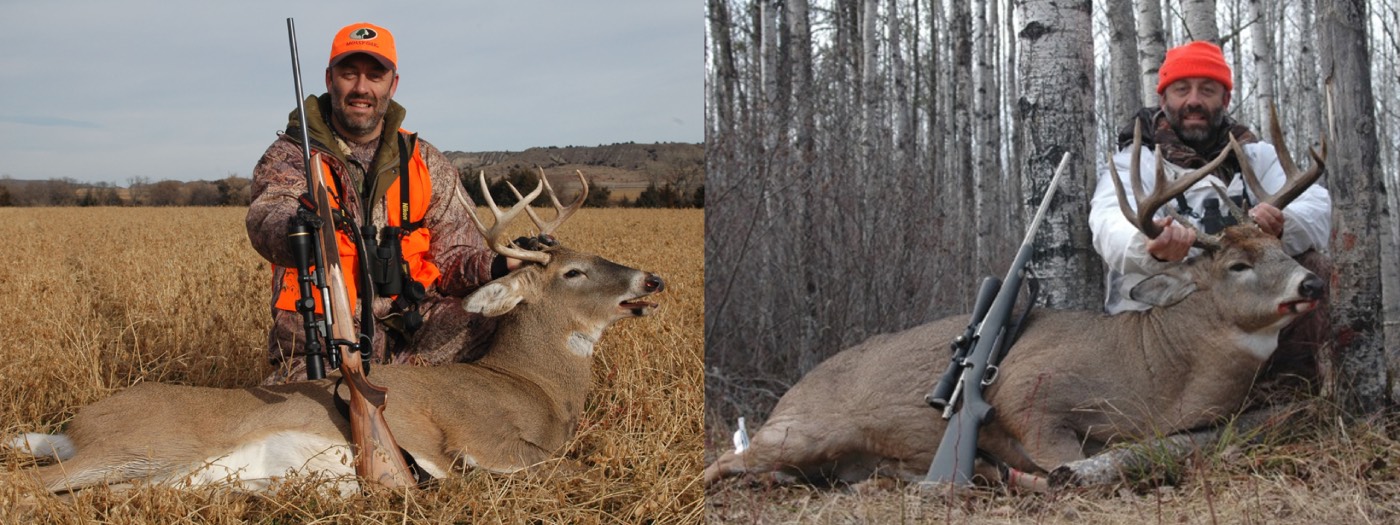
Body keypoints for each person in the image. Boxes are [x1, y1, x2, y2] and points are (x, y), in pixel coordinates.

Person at [247, 22, 526, 384]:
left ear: (392, 85)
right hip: (326, 335)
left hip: (415, 329)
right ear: (330, 79)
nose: (361, 88)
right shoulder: (291, 155)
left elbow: (455, 254)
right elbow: (267, 215)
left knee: (502, 321)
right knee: (308, 420)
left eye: (375, 76)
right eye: (349, 74)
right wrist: (298, 228)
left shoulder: (423, 160)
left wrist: (500, 264)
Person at [1089, 40, 1332, 384]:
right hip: (1163, 323)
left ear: (1225, 99)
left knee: (1313, 267)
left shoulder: (1257, 156)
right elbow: (1106, 221)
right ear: (1163, 99)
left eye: (1207, 90)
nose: (1193, 101)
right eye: (1181, 89)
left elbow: (1318, 206)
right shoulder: (1136, 162)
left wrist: (1283, 225)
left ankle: (1289, 395)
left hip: (1242, 308)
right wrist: (1149, 244)